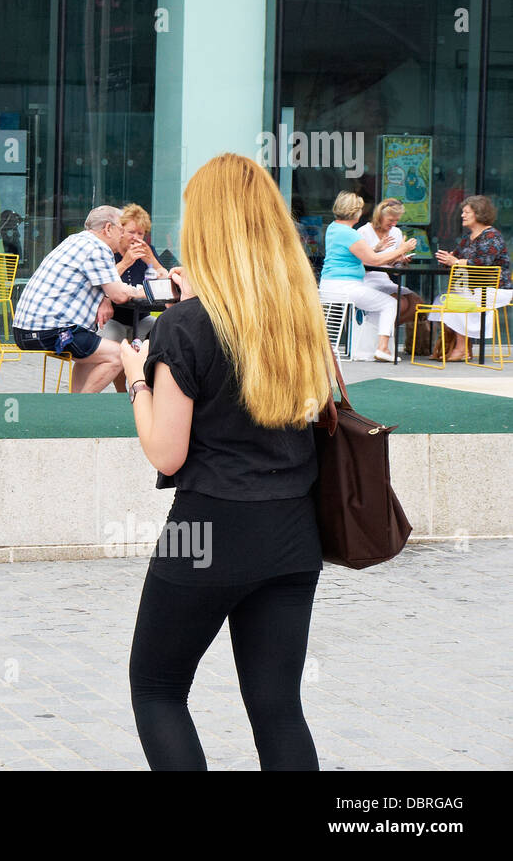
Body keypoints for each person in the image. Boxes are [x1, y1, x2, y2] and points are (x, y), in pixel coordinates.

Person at [119, 152, 334, 771]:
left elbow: (167, 450)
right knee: (277, 705)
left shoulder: (185, 326)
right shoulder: (300, 318)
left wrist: (139, 379)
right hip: (294, 530)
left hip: (207, 529)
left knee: (157, 691)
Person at [11, 206, 144, 393]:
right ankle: (81, 407)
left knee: (91, 355)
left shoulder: (76, 240)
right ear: (107, 228)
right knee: (119, 356)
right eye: (121, 230)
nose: (122, 236)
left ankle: (72, 404)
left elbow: (112, 286)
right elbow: (118, 294)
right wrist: (144, 292)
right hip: (51, 330)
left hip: (28, 328)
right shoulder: (98, 248)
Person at [317, 191, 416, 362]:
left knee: (380, 304)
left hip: (329, 285)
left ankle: (368, 349)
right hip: (346, 287)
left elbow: (360, 254)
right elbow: (374, 261)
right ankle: (382, 348)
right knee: (389, 303)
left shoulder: (334, 228)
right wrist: (402, 249)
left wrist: (376, 248)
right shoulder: (351, 234)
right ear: (356, 212)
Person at [429, 194, 513, 361]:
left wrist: (456, 261)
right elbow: (457, 259)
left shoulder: (491, 236)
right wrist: (448, 259)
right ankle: (455, 347)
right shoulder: (468, 238)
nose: (462, 215)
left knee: (459, 301)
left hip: (494, 288)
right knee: (441, 300)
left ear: (479, 213)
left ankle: (461, 348)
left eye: (466, 212)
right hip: (474, 288)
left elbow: (484, 262)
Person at [101, 203, 169, 391]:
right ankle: (121, 392)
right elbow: (103, 282)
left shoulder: (148, 250)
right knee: (115, 343)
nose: (137, 238)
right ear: (120, 231)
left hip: (141, 316)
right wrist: (126, 262)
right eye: (132, 232)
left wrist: (152, 261)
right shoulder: (110, 253)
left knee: (161, 335)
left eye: (141, 234)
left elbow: (165, 281)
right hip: (115, 318)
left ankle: (148, 389)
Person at [356, 198, 422, 348]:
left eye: (397, 220)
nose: (393, 224)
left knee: (415, 302)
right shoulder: (363, 232)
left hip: (385, 278)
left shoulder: (396, 232)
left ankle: (383, 329)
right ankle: (381, 336)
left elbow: (395, 266)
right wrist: (377, 250)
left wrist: (401, 261)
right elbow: (360, 262)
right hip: (366, 279)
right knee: (399, 302)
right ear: (380, 216)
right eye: (391, 220)